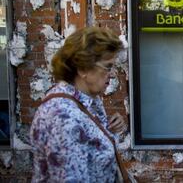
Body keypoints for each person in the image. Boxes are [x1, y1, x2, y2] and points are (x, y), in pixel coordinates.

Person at [30, 27, 126, 182]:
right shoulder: (62, 116)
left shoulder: (87, 100)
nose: (112, 74)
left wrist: (110, 131)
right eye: (108, 67)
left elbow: (93, 153)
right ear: (83, 69)